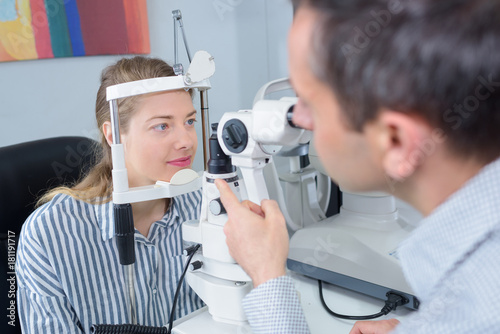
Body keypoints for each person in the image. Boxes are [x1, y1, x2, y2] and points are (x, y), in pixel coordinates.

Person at [215, 0, 500, 333]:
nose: (300, 118)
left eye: (311, 100)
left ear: (394, 141)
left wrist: (265, 271)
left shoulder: (471, 315)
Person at [16, 56, 204, 333]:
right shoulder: (49, 234)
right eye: (162, 126)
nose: (186, 141)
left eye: (189, 121)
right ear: (114, 134)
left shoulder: (208, 205)